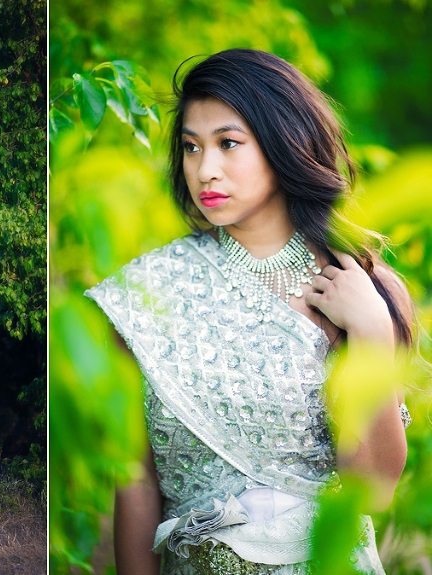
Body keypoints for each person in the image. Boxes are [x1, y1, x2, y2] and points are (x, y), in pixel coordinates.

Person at [86, 49, 414, 574]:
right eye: (190, 148)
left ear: (285, 141)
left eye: (228, 143)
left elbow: (371, 491)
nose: (204, 169)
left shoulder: (362, 292)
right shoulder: (145, 293)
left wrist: (373, 329)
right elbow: (136, 480)